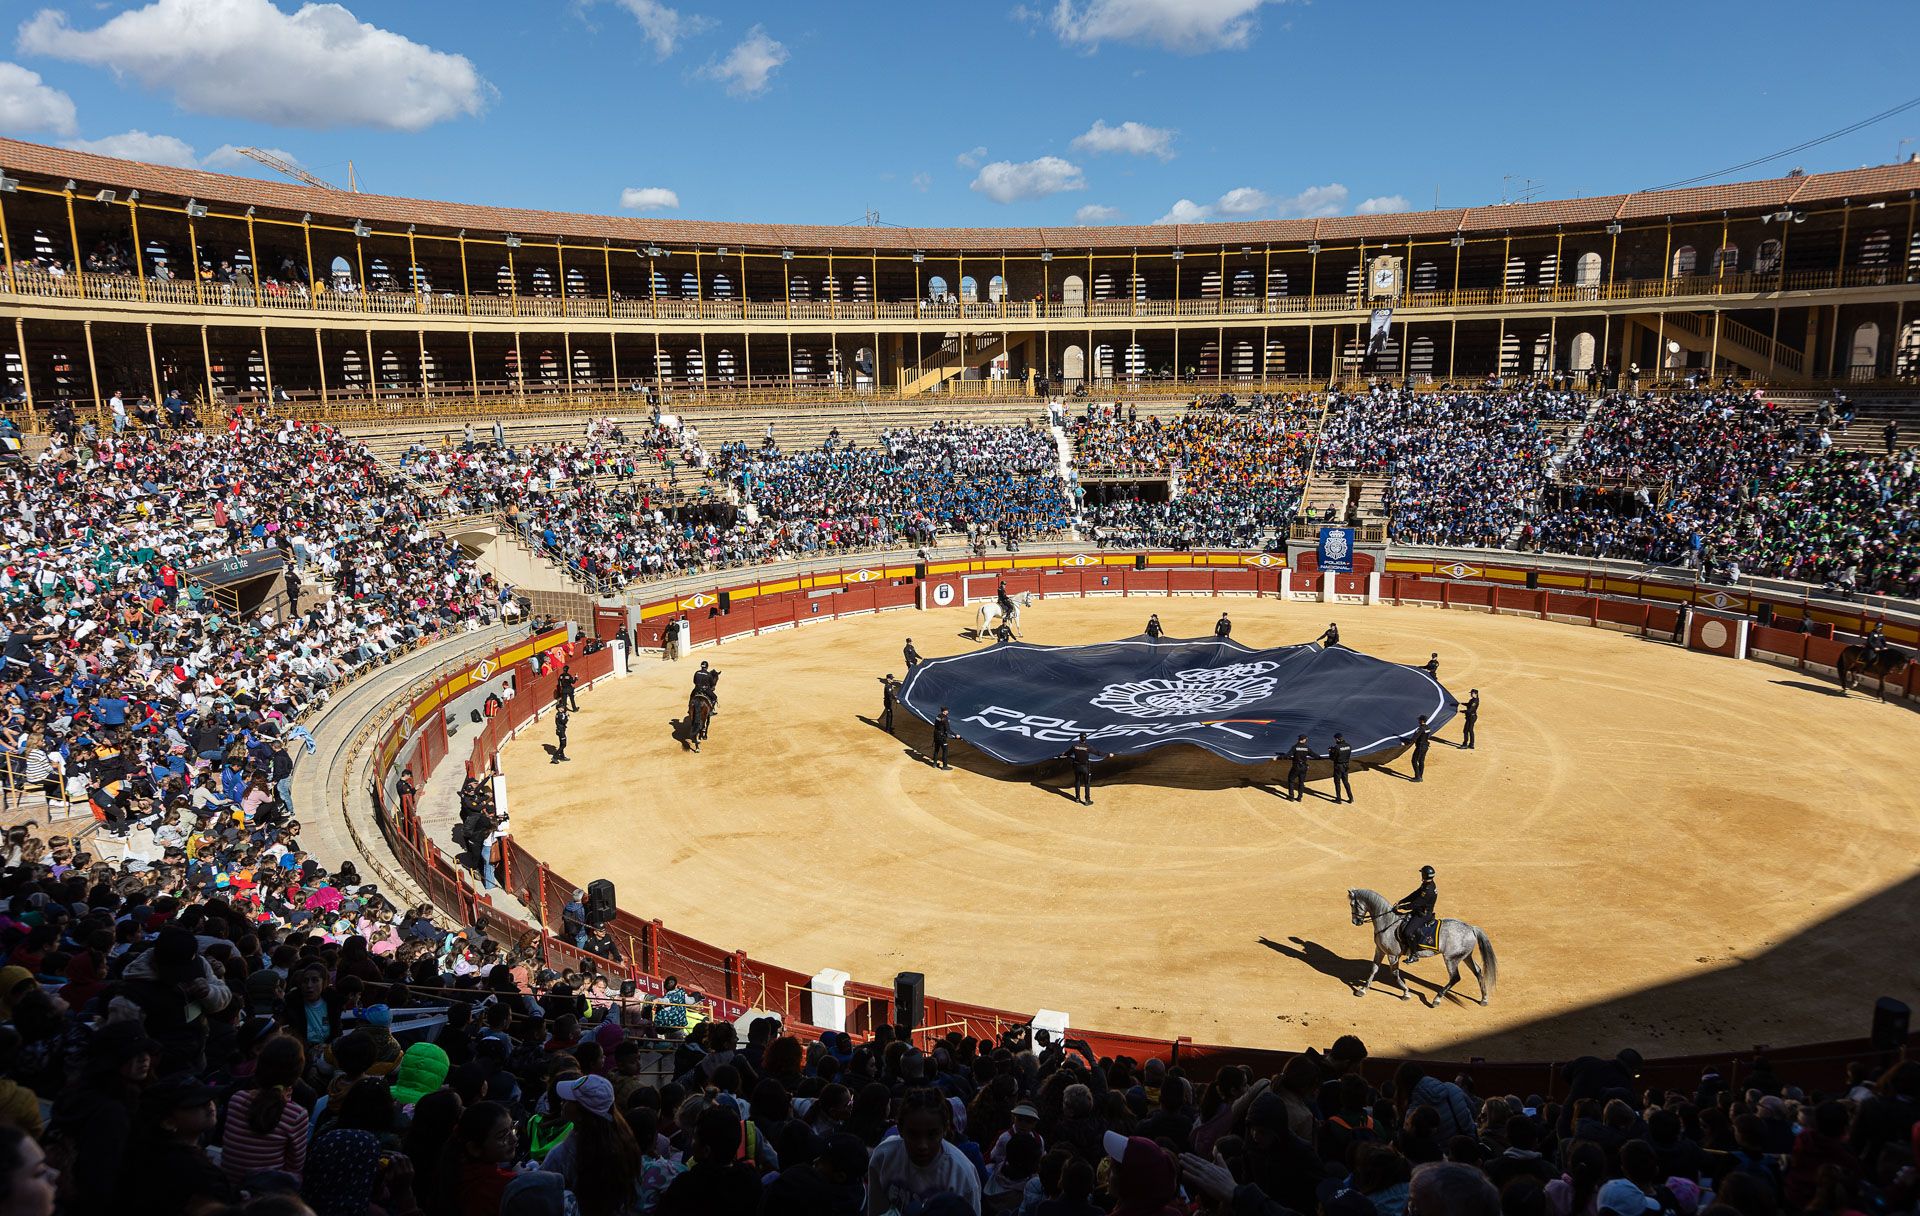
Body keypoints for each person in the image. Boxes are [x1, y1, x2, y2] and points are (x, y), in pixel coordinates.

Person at [866, 1088, 982, 1215]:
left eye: (932, 1135)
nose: (922, 1145)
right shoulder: (883, 1157)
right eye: (913, 1134)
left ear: (945, 1129)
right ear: (900, 1129)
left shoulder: (962, 1175)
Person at [1394, 866, 1438, 955]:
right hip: (1419, 911)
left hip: (1423, 915)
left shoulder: (1428, 891)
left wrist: (1401, 907)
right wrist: (1402, 901)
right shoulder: (1427, 885)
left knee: (1408, 932)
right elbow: (1415, 894)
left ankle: (1414, 954)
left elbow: (1414, 904)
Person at [1062, 735, 1105, 805]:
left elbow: (1068, 753)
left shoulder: (1074, 746)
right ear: (1085, 739)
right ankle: (1087, 800)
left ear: (1079, 738)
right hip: (1085, 767)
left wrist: (1063, 753)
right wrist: (1108, 754)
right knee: (1087, 783)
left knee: (1077, 781)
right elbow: (1098, 753)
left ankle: (1077, 798)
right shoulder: (1088, 747)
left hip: (1076, 766)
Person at [1283, 734, 1311, 802]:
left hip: (1296, 767)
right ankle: (1299, 797)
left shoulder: (1295, 747)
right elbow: (1314, 754)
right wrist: (1321, 758)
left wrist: (1280, 757)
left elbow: (1288, 755)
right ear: (1304, 740)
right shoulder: (1306, 747)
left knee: (1291, 780)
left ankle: (1291, 796)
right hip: (1304, 767)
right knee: (1301, 782)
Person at [1329, 733, 1354, 803]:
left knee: (1337, 782)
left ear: (1337, 739)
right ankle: (1351, 797)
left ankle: (1338, 799)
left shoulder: (1337, 747)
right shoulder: (1349, 746)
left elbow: (1332, 758)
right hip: (1346, 766)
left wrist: (1330, 752)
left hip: (1338, 767)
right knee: (1346, 782)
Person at [1410, 715, 1430, 781]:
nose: (1418, 721)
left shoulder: (1420, 728)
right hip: (1425, 746)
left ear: (1422, 721)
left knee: (1414, 760)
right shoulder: (1427, 727)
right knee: (1421, 761)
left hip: (1420, 747)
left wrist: (1405, 743)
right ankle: (1420, 776)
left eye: (1419, 720)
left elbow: (1414, 738)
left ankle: (1417, 777)